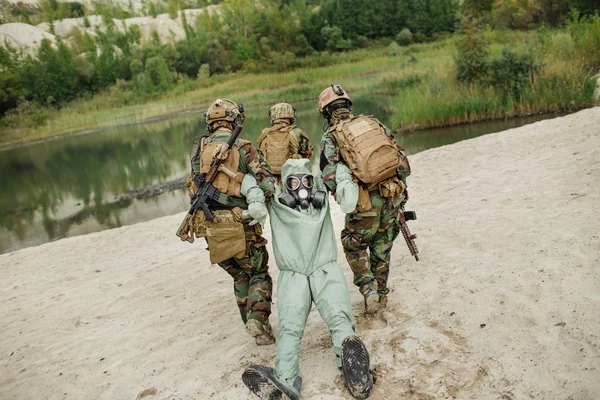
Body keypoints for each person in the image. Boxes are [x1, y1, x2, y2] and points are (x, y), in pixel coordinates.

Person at [241, 158, 373, 400]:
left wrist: (342, 180)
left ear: (313, 182)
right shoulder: (280, 201)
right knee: (292, 329)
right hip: (300, 275)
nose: (301, 187)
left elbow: (340, 174)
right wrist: (256, 198)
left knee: (339, 320)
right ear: (284, 185)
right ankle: (289, 379)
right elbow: (248, 178)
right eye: (293, 181)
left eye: (306, 180)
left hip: (319, 269)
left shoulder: (305, 197)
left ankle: (352, 371)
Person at [185, 98, 276, 345]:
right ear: (234, 118)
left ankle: (253, 324)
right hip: (241, 225)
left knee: (238, 276)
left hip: (212, 227)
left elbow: (193, 185)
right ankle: (257, 319)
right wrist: (250, 193)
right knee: (258, 272)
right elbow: (267, 183)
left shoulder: (199, 149)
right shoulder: (245, 148)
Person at [318, 83, 411, 313]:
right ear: (348, 105)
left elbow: (329, 177)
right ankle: (381, 296)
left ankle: (368, 289)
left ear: (327, 112)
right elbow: (399, 160)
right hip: (392, 197)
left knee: (354, 245)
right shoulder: (373, 123)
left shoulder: (331, 137)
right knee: (382, 248)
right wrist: (401, 197)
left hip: (364, 204)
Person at [257, 102, 313, 184]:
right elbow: (308, 153)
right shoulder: (297, 133)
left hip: (271, 181)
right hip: (293, 179)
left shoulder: (265, 134)